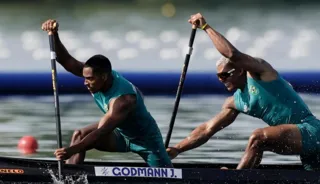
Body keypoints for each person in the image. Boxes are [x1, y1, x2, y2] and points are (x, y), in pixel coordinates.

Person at [166, 13, 320, 171]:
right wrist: (178, 149)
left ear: (239, 70)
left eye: (225, 75)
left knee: (258, 137)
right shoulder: (235, 102)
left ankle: (238, 179)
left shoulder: (261, 72)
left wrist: (205, 27)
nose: (222, 80)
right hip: (299, 141)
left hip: (311, 131)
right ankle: (246, 181)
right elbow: (207, 129)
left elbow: (233, 55)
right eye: (219, 77)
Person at [41, 19, 172, 168]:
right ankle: (70, 175)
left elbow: (103, 131)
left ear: (103, 76)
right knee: (79, 135)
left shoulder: (124, 100)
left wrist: (71, 150)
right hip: (120, 134)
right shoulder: (94, 73)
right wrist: (54, 34)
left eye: (89, 79)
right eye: (85, 78)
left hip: (145, 140)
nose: (85, 82)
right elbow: (66, 60)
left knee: (167, 178)